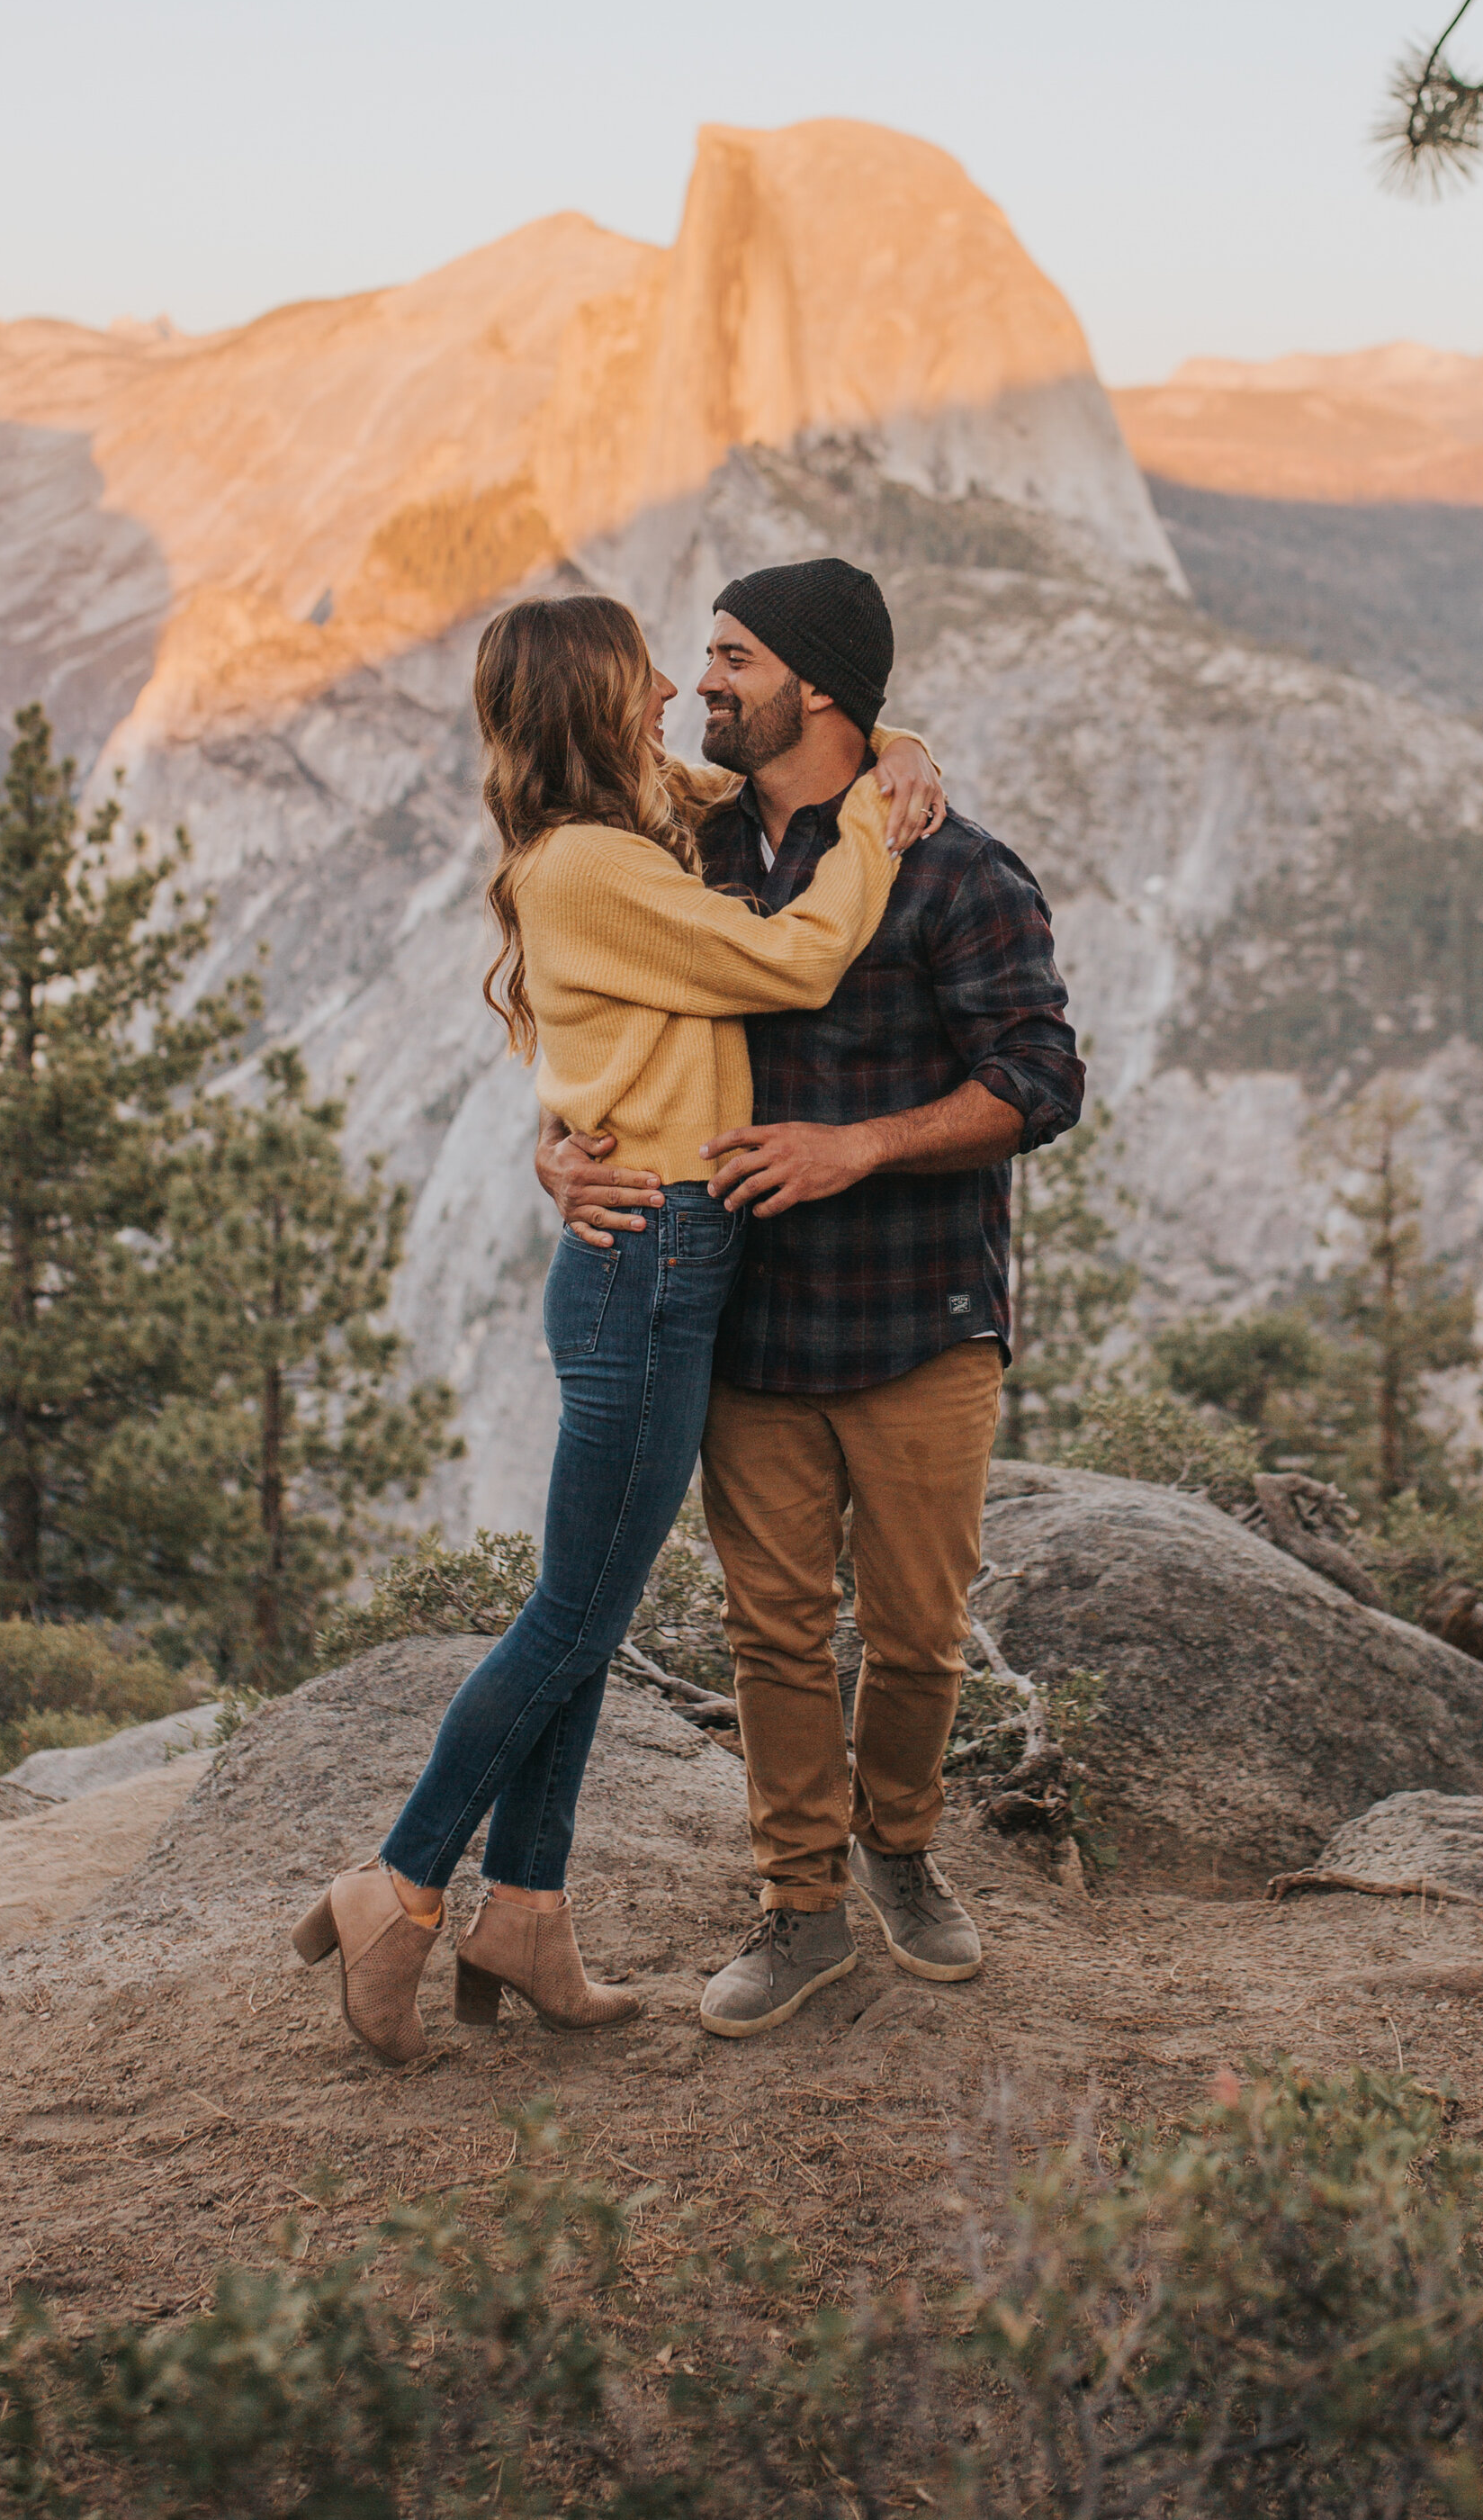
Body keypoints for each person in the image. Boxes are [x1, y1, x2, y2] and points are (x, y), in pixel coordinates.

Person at [292, 590, 945, 2063]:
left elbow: (796, 758)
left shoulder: (631, 824)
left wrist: (894, 739)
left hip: (661, 1246)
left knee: (589, 1615)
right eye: (641, 666)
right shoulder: (589, 862)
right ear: (591, 699)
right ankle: (398, 1886)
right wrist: (873, 834)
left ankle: (525, 1908)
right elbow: (796, 963)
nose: (670, 685)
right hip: (649, 1255)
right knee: (575, 1615)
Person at [539, 556, 1083, 2039]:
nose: (700, 684)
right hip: (750, 1324)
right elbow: (586, 1005)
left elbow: (1042, 1079)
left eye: (730, 657)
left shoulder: (956, 867)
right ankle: (802, 1902)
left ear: (818, 686)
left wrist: (864, 1145)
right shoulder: (683, 848)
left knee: (914, 1635)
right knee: (772, 1635)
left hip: (916, 1322)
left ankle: (901, 1847)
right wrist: (555, 1150)